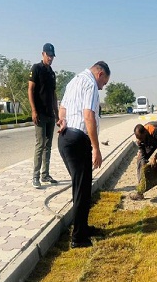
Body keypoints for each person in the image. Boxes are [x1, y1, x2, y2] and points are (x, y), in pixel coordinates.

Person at [57, 61, 111, 248]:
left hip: (65, 138)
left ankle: (83, 227)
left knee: (81, 188)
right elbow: (88, 116)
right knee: (81, 189)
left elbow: (62, 108)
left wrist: (62, 120)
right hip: (78, 140)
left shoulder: (73, 82)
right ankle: (78, 238)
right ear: (100, 73)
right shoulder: (90, 85)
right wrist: (96, 148)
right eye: (104, 82)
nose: (102, 87)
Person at [28, 43, 59, 189]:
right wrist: (33, 110)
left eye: (52, 56)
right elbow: (30, 90)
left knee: (48, 146)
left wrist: (57, 114)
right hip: (39, 114)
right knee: (40, 145)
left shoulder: (52, 73)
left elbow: (53, 94)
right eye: (48, 55)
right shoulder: (36, 69)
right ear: (43, 54)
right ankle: (35, 176)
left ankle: (45, 174)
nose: (50, 58)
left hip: (50, 115)